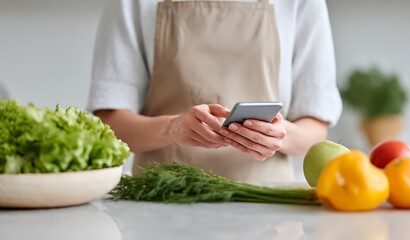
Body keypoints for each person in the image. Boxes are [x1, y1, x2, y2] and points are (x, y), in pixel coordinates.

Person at [87, 0, 342, 182]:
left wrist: (279, 135)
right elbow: (111, 124)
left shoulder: (303, 3)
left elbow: (315, 129)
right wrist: (173, 128)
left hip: (267, 205)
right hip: (160, 200)